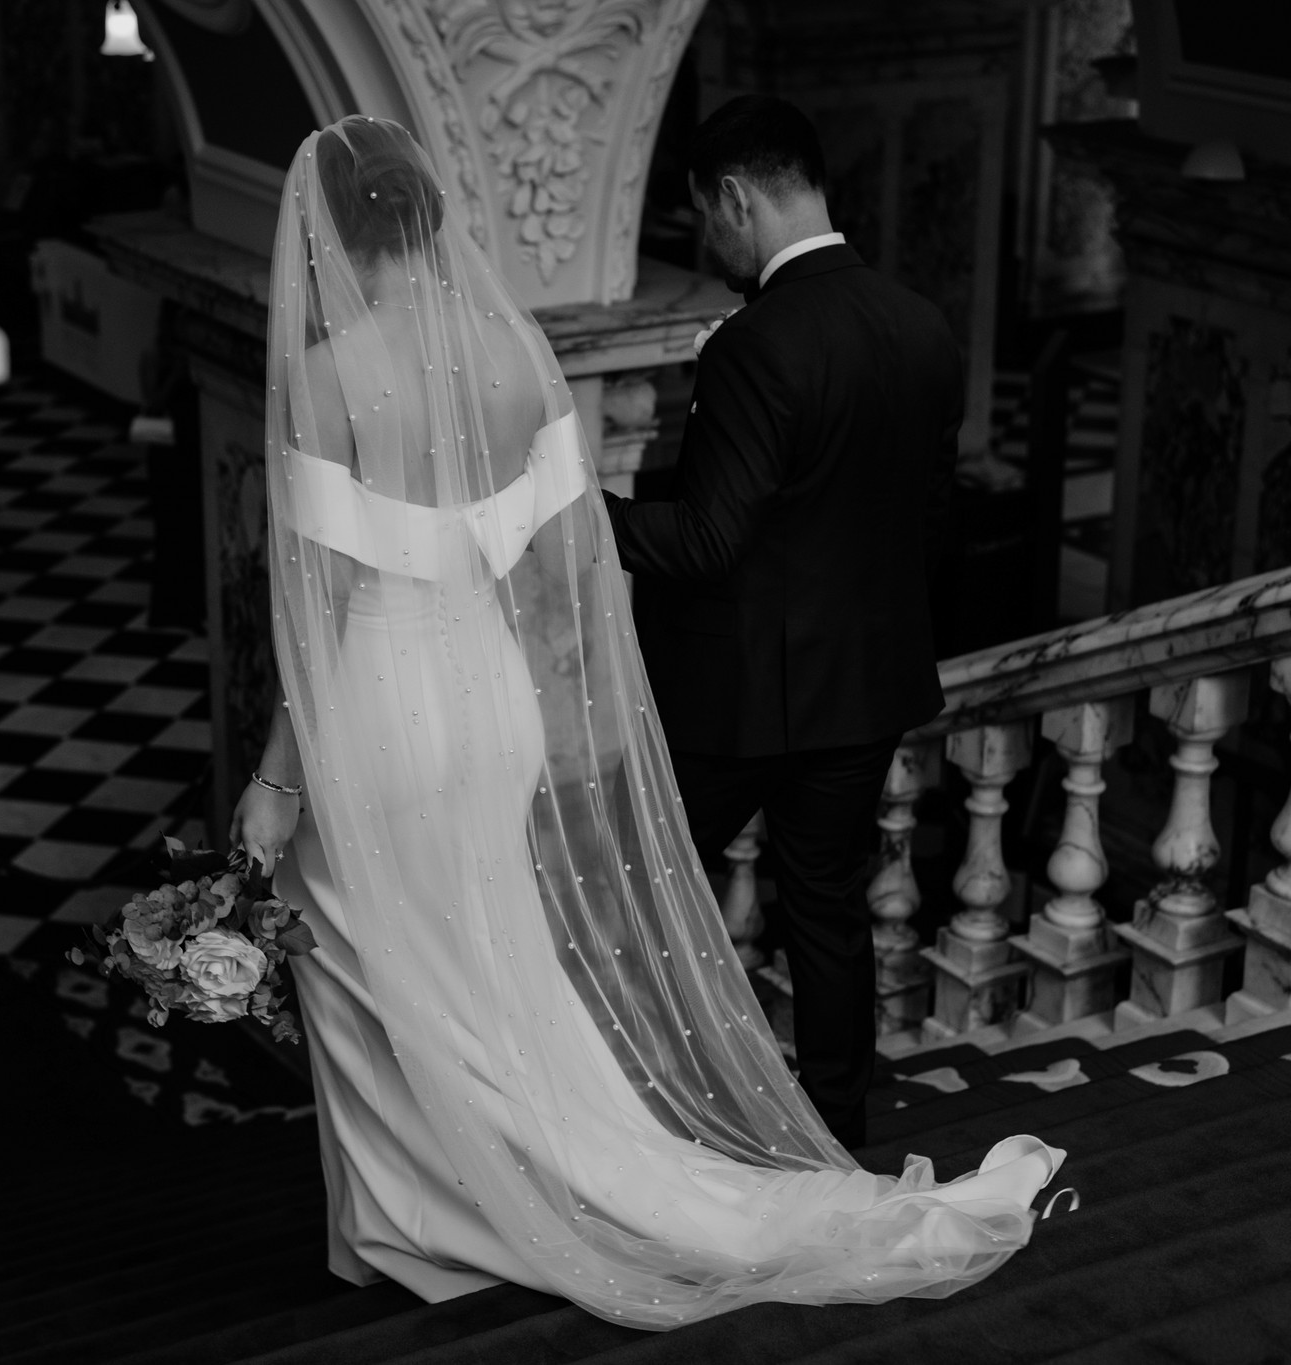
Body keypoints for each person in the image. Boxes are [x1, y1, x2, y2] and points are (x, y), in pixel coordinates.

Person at [228, 114, 1059, 1330]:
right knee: (494, 956)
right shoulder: (517, 360)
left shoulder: (322, 373)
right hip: (495, 697)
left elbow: (328, 594)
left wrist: (275, 779)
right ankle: (551, 1180)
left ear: (336, 240)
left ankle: (427, 1224)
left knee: (380, 967)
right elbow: (551, 563)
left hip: (384, 706)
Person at [601, 95, 960, 1150]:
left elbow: (710, 541)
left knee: (634, 889)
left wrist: (574, 512)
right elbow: (922, 520)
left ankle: (642, 1115)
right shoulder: (920, 324)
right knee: (826, 915)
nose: (703, 242)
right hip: (864, 684)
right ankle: (838, 1135)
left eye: (701, 218)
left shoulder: (754, 345)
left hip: (737, 696)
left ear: (732, 196)